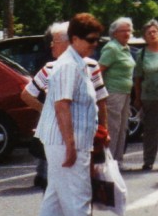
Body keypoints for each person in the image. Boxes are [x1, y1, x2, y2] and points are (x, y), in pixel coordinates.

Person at [31, 12, 118, 216]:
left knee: (56, 196)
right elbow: (62, 106)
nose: (95, 44)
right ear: (75, 38)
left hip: (65, 140)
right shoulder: (68, 65)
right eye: (90, 39)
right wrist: (70, 144)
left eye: (98, 40)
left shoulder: (77, 61)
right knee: (79, 195)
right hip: (66, 141)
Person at [20, 21, 109, 189]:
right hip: (61, 134)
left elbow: (101, 99)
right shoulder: (50, 67)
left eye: (55, 41)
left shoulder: (91, 66)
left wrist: (105, 130)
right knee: (64, 185)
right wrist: (48, 110)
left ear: (69, 42)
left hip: (84, 134)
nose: (51, 46)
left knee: (78, 185)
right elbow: (26, 94)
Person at [133, 19, 158, 171]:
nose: (152, 34)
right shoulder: (141, 54)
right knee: (150, 131)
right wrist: (137, 97)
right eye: (148, 33)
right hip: (149, 98)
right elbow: (138, 78)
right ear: (144, 37)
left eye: (154, 31)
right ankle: (148, 161)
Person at [98, 17, 135, 166]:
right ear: (114, 33)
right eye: (123, 31)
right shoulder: (112, 48)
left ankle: (118, 159)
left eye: (129, 30)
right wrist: (100, 94)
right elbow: (99, 70)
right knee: (113, 127)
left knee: (123, 127)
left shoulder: (125, 48)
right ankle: (109, 161)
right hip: (113, 92)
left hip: (125, 92)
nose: (127, 33)